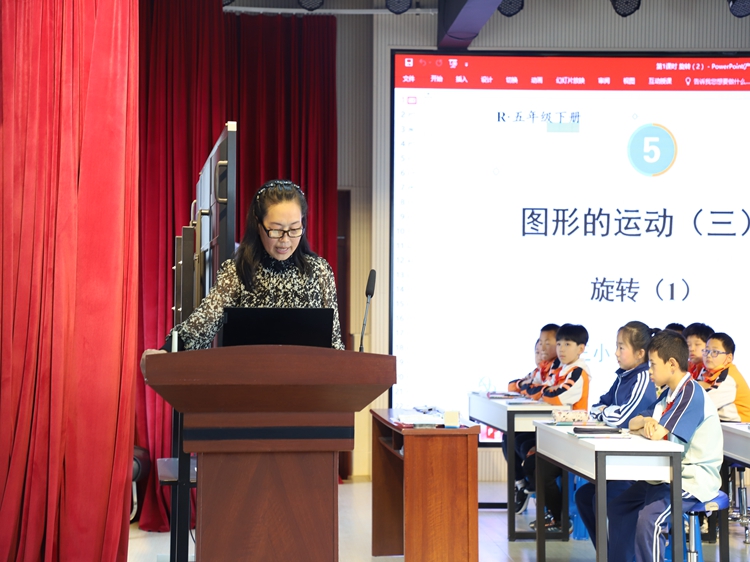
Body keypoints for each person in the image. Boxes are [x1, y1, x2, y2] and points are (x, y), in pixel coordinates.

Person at [141, 179, 344, 371]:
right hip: (250, 384)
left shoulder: (319, 271)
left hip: (307, 385)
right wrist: (166, 351)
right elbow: (204, 322)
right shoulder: (238, 270)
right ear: (258, 224)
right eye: (275, 230)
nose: (285, 240)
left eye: (294, 229)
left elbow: (334, 343)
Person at [608, 330, 723, 562]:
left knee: (649, 519)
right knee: (619, 506)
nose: (649, 371)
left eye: (652, 364)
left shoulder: (690, 393)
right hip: (666, 475)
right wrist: (646, 422)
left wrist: (649, 425)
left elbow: (658, 434)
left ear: (672, 364)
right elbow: (633, 423)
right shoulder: (668, 394)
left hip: (692, 479)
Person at [575, 321, 659, 547]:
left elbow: (624, 418)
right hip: (620, 459)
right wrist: (606, 411)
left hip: (637, 466)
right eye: (616, 346)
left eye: (622, 347)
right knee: (584, 497)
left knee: (602, 498)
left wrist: (605, 411)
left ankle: (618, 554)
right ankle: (606, 554)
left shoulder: (643, 377)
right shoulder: (624, 376)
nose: (616, 353)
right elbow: (596, 407)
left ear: (640, 353)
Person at [525, 323, 591, 531]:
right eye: (560, 344)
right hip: (557, 432)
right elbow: (535, 389)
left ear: (581, 348)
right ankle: (555, 515)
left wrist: (544, 390)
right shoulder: (560, 369)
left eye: (567, 344)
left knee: (541, 470)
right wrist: (544, 390)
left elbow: (556, 396)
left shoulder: (578, 372)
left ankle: (561, 519)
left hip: (572, 437)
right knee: (529, 461)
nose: (561, 349)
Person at [505, 323, 560, 513]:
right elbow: (514, 386)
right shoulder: (539, 371)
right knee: (508, 437)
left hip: (552, 427)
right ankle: (521, 484)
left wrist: (531, 388)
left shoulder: (560, 370)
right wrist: (529, 387)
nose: (541, 350)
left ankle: (533, 488)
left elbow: (542, 392)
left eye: (546, 344)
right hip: (537, 424)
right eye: (538, 348)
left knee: (523, 445)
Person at [698, 332, 750, 422]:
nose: (708, 355)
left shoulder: (729, 378)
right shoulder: (707, 371)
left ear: (729, 358)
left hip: (740, 427)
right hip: (722, 424)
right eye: (706, 350)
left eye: (715, 352)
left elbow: (703, 404)